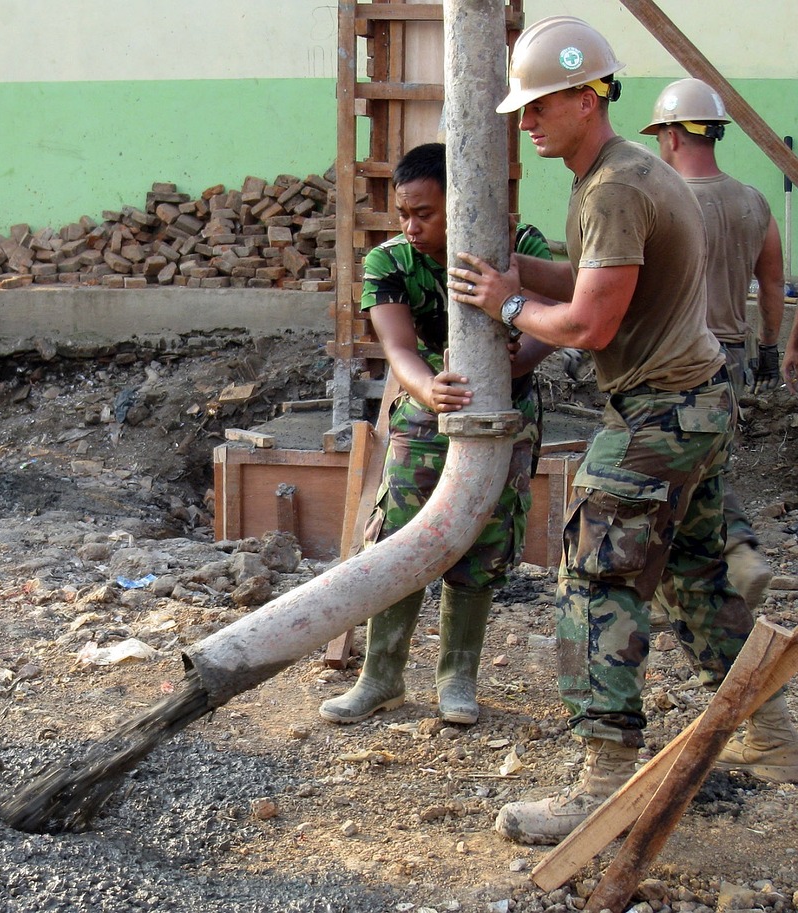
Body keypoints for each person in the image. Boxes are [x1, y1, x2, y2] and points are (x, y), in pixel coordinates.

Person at [445, 16, 798, 846]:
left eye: (538, 106)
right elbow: (605, 277)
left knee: (596, 578)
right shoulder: (621, 174)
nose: (525, 121)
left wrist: (505, 303)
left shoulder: (613, 186)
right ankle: (778, 740)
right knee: (700, 577)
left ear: (583, 95)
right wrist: (516, 269)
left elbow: (594, 323)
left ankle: (604, 780)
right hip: (698, 401)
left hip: (659, 412)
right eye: (520, 108)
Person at [319, 142, 556, 728]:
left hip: (506, 412)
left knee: (482, 540)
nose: (410, 225)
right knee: (400, 538)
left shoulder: (519, 249)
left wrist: (514, 362)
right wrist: (430, 390)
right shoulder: (391, 262)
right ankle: (381, 677)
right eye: (404, 212)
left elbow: (552, 324)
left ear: (462, 203)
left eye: (424, 213)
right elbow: (397, 347)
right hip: (426, 414)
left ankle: (457, 680)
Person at [641, 77, 780, 608]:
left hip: (677, 358)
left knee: (663, 470)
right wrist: (769, 347)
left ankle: (737, 553)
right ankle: (678, 586)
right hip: (734, 354)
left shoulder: (666, 204)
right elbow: (772, 282)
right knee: (706, 463)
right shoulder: (753, 201)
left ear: (673, 135)